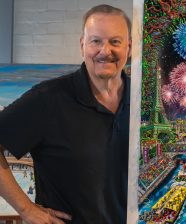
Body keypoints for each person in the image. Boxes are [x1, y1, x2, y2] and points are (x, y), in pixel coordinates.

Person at [0, 4, 131, 224]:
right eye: (96, 41)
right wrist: (25, 209)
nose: (105, 51)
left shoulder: (144, 104)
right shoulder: (48, 99)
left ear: (129, 46)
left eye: (115, 41)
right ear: (83, 45)